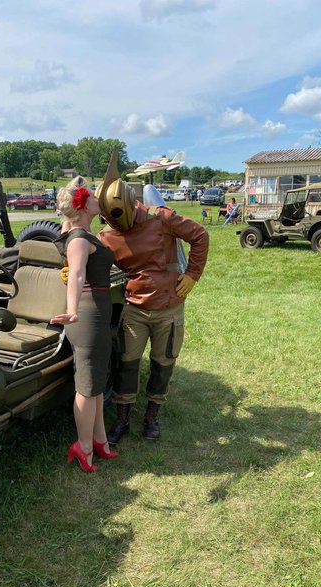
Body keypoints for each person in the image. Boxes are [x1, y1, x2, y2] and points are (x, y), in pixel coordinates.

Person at [96, 153, 209, 443]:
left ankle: (151, 416)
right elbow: (88, 254)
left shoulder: (161, 217)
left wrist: (193, 274)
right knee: (127, 363)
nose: (117, 226)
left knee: (163, 363)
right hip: (135, 307)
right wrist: (71, 267)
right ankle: (122, 419)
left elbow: (199, 235)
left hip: (168, 306)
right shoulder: (106, 236)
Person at [50, 176, 118, 473]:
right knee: (88, 386)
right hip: (87, 314)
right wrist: (72, 310)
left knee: (97, 382)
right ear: (81, 205)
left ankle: (100, 441)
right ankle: (84, 446)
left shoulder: (85, 234)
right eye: (91, 195)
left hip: (97, 311)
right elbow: (76, 274)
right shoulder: (78, 238)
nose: (97, 198)